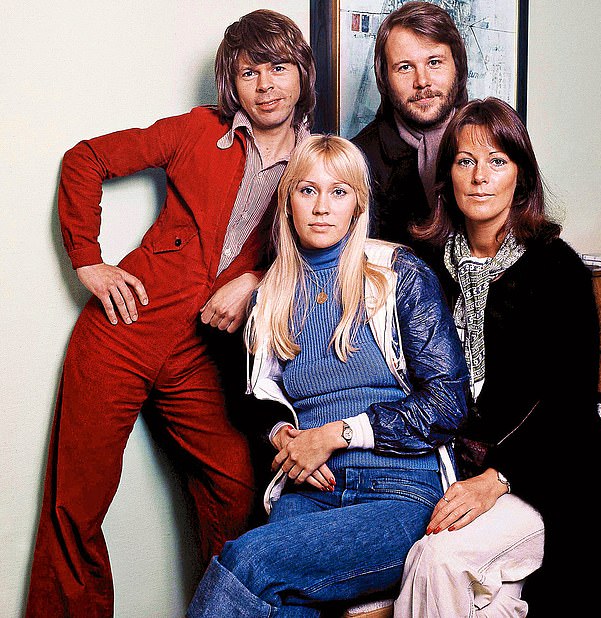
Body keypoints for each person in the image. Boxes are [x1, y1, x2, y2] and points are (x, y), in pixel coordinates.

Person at [25, 10, 316, 617]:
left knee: (237, 488)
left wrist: (257, 281)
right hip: (123, 332)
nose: (265, 85)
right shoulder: (195, 130)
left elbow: (331, 252)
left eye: (279, 68)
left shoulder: (318, 163)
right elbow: (86, 159)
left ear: (303, 75)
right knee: (76, 503)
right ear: (229, 82)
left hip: (202, 354)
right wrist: (88, 261)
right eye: (249, 71)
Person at [185, 134, 470, 617]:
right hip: (309, 489)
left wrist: (336, 435)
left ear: (358, 206)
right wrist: (285, 436)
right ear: (288, 201)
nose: (322, 207)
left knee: (247, 559)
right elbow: (253, 398)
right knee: (287, 607)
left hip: (399, 490)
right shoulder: (269, 296)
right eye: (307, 190)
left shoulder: (399, 275)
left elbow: (448, 403)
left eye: (339, 192)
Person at [394, 98, 601, 618]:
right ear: (446, 175)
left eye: (497, 161)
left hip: (554, 475)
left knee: (440, 561)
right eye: (465, 161)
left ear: (520, 177)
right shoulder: (427, 268)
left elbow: (568, 404)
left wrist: (496, 479)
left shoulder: (556, 268)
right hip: (457, 471)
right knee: (481, 602)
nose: (480, 177)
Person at [351, 1, 467, 259]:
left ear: (457, 65)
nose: (422, 81)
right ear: (384, 77)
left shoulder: (492, 140)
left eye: (434, 62)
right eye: (405, 67)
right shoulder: (358, 159)